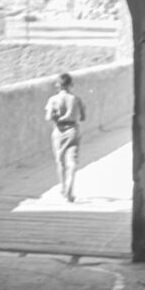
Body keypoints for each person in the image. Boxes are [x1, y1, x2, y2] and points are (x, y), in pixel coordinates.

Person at [44, 72, 86, 203]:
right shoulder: (76, 99)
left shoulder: (53, 100)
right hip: (73, 130)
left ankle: (63, 188)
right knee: (72, 161)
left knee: (60, 160)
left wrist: (58, 115)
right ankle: (70, 188)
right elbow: (83, 117)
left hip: (59, 131)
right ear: (70, 84)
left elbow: (48, 117)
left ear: (58, 85)